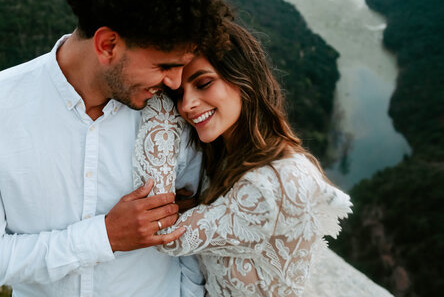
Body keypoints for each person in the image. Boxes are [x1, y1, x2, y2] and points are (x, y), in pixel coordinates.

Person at [0, 0, 231, 296]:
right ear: (107, 44)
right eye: (164, 66)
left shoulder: (177, 109)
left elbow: (198, 223)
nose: (175, 81)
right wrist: (105, 236)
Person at [133, 21, 352, 296]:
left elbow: (164, 234)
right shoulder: (229, 156)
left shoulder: (274, 182)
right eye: (178, 94)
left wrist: (159, 98)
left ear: (243, 78)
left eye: (203, 83)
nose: (186, 105)